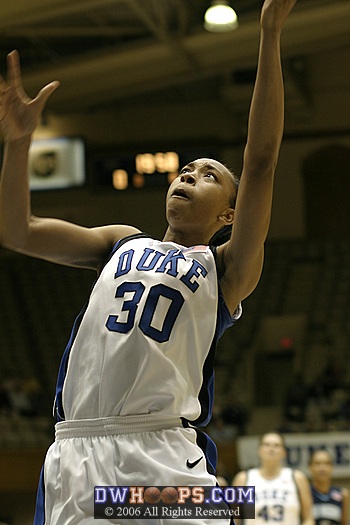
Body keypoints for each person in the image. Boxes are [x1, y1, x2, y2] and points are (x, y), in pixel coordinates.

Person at [0, 0, 297, 523]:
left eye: (207, 175)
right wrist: (18, 144)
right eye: (186, 169)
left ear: (230, 212)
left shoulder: (225, 269)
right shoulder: (120, 241)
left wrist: (269, 30)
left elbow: (263, 158)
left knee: (239, 507)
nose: (188, 174)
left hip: (161, 457)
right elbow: (16, 231)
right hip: (77, 454)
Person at [232, 432, 314, 525]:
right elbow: (234, 519)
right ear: (259, 450)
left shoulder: (297, 478)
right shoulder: (243, 478)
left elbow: (308, 518)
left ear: (284, 452)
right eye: (267, 445)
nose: (271, 449)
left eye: (277, 445)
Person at [309, 449, 349, 525]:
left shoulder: (343, 494)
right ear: (310, 467)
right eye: (317, 464)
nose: (322, 468)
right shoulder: (304, 494)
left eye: (326, 464)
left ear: (332, 467)